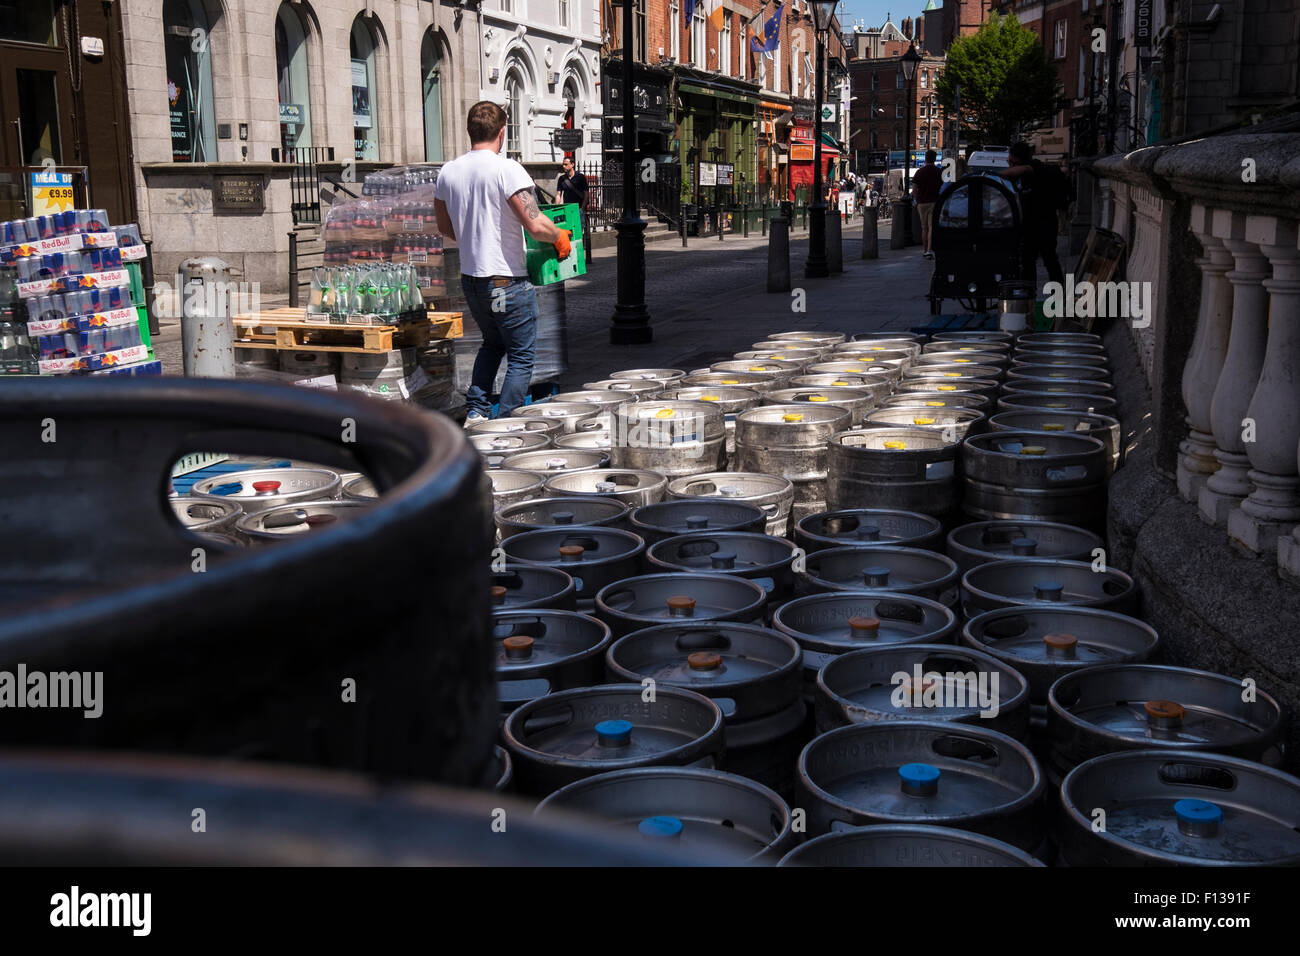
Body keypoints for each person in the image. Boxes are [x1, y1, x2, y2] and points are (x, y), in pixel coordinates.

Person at [435, 101, 571, 423]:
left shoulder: (448, 172)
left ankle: (476, 413)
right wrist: (560, 236)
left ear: (469, 131)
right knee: (522, 357)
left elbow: (443, 227)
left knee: (492, 344)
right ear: (502, 132)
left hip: (473, 280)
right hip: (506, 280)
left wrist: (474, 237)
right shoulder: (505, 169)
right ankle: (508, 426)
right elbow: (536, 224)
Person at [1001, 141, 1069, 290]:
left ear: (1014, 157)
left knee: (1034, 261)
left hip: (1038, 224)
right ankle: (1055, 292)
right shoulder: (1037, 168)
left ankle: (1033, 294)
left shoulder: (1032, 167)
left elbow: (1023, 170)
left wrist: (995, 176)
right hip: (1044, 222)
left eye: (1010, 158)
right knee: (1046, 260)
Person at [911, 149, 943, 259]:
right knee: (931, 227)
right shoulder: (938, 172)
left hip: (922, 203)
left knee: (923, 228)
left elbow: (914, 190)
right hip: (934, 202)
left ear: (925, 158)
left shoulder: (919, 172)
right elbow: (942, 188)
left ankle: (924, 250)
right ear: (934, 159)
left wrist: (916, 200)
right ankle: (929, 250)